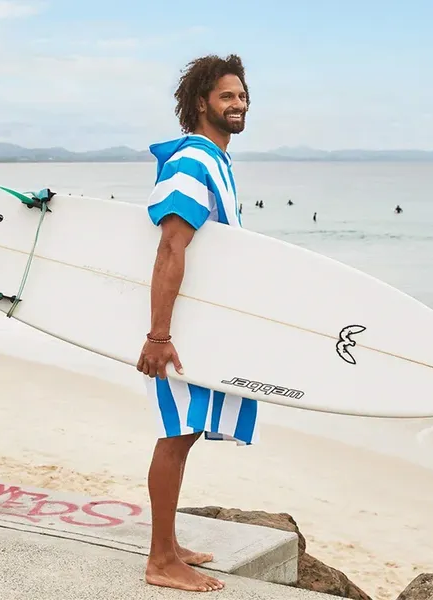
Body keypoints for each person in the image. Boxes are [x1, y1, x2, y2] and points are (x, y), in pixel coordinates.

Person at [135, 54, 258, 593]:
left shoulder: (215, 161)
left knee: (184, 436)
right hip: (178, 329)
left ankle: (169, 544)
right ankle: (161, 561)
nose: (239, 104)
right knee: (177, 432)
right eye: (227, 96)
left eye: (243, 96)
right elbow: (170, 244)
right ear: (201, 102)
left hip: (196, 324)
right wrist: (159, 336)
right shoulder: (194, 160)